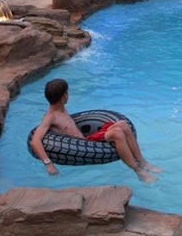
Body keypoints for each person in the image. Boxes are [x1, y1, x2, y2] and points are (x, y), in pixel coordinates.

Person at [30, 78, 161, 183]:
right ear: (64, 96)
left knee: (123, 124)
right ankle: (139, 171)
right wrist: (48, 164)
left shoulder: (62, 109)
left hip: (89, 140)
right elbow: (35, 141)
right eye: (67, 92)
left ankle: (143, 162)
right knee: (117, 133)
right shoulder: (50, 117)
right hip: (83, 145)